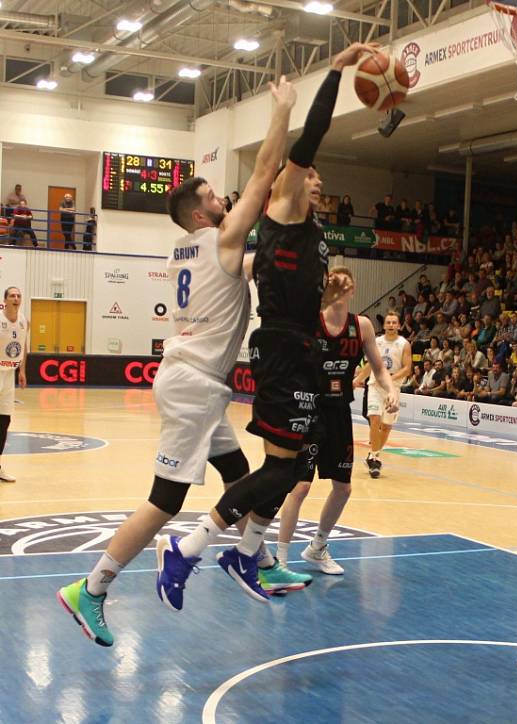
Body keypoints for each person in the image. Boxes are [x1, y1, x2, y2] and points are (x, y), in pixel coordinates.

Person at [56, 76, 297, 646]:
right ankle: (90, 590)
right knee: (165, 500)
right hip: (194, 385)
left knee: (242, 478)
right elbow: (265, 173)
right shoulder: (218, 239)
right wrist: (282, 111)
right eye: (215, 197)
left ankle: (257, 559)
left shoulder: (182, 250)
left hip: (197, 382)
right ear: (199, 213)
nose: (225, 200)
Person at [151, 43, 378, 609]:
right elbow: (311, 138)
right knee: (281, 471)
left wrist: (327, 293)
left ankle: (249, 555)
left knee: (291, 466)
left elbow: (289, 283)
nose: (315, 177)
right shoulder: (282, 202)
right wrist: (335, 71)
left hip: (295, 343)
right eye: (308, 171)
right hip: (280, 347)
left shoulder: (310, 230)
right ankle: (197, 547)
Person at [276, 267, 399, 576]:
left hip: (339, 412)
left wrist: (390, 388)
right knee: (300, 487)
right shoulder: (309, 323)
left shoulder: (363, 326)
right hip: (308, 410)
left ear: (353, 290)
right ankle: (279, 559)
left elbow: (378, 368)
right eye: (336, 283)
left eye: (347, 283)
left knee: (343, 489)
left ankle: (317, 547)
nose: (342, 288)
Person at [356, 310, 412, 478]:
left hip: (393, 389)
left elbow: (407, 368)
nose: (391, 325)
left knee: (386, 427)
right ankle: (375, 458)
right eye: (388, 322)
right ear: (384, 325)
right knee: (375, 419)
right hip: (374, 385)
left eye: (394, 322)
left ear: (399, 325)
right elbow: (370, 365)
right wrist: (358, 379)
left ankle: (374, 454)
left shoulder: (404, 344)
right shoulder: (377, 341)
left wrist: (389, 378)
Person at [0, 287, 27, 483]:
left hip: (9, 373)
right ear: (5, 300)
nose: (16, 298)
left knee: (4, 421)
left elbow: (23, 346)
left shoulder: (24, 321)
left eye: (18, 296)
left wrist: (22, 371)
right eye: (12, 295)